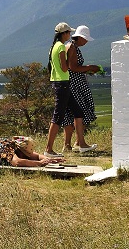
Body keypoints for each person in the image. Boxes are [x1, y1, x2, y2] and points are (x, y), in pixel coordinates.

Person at [44, 22, 88, 157]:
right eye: (69, 33)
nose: (70, 35)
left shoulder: (54, 47)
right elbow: (64, 67)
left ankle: (82, 144)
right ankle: (48, 149)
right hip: (62, 84)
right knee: (57, 117)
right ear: (63, 34)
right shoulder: (61, 47)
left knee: (78, 112)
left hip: (60, 83)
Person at [62, 25, 99, 153]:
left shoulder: (69, 46)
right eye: (85, 39)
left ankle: (69, 144)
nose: (86, 42)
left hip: (70, 83)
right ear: (81, 38)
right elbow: (73, 67)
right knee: (80, 111)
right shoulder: (72, 47)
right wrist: (89, 67)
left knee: (69, 114)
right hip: (75, 85)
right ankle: (80, 143)